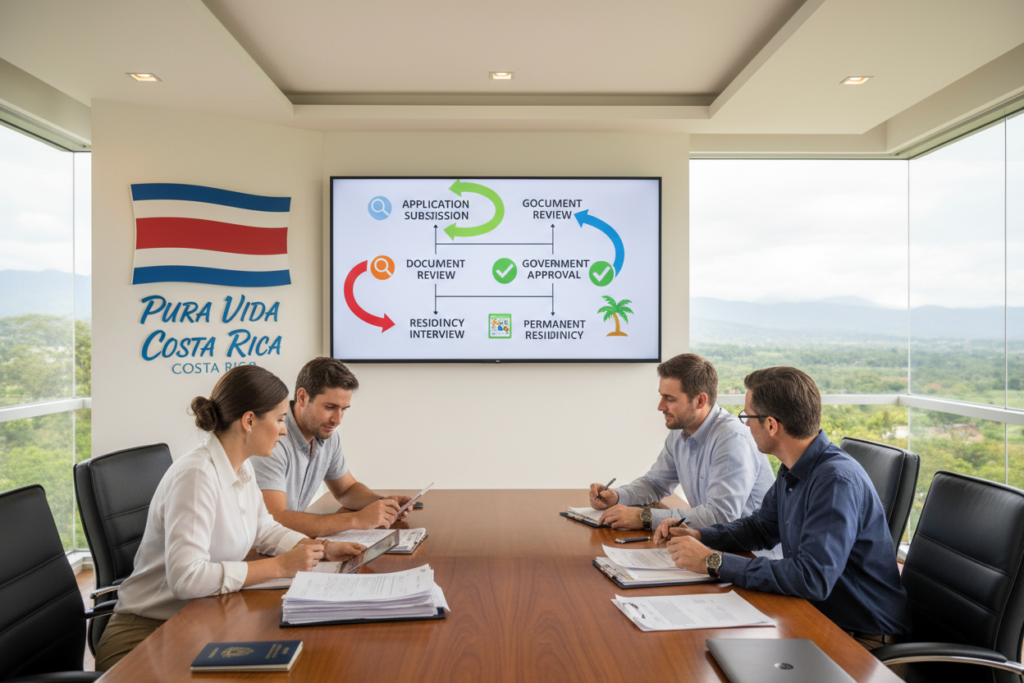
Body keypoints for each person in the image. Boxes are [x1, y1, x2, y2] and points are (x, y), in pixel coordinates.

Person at [94, 365, 365, 671]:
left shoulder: (241, 466)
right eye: (279, 419)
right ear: (249, 421)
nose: (284, 429)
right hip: (146, 636)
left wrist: (321, 547)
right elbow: (186, 579)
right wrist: (278, 566)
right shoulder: (197, 475)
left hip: (197, 618)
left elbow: (264, 529)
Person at [662, 366, 911, 656]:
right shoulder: (795, 466)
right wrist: (700, 535)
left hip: (862, 640)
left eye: (747, 417)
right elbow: (761, 528)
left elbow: (811, 577)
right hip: (817, 616)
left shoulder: (834, 482)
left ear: (771, 425)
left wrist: (713, 561)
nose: (745, 425)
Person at [589, 354, 776, 548]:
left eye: (669, 399)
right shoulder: (680, 431)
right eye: (661, 396)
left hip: (747, 554)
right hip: (709, 545)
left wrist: (644, 517)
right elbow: (655, 483)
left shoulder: (731, 439)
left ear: (700, 401)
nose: (660, 406)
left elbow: (720, 516)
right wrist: (617, 496)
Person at [250, 357, 411, 537]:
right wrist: (356, 520)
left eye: (344, 409)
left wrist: (383, 504)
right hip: (260, 547)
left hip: (290, 542)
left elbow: (346, 489)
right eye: (330, 407)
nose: (338, 420)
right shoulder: (273, 439)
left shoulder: (326, 435)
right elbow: (275, 519)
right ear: (302, 397)